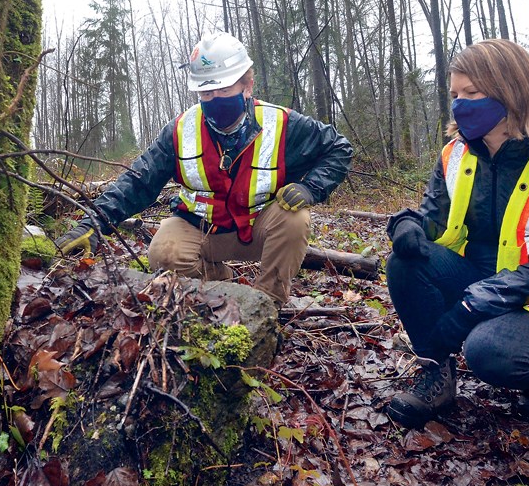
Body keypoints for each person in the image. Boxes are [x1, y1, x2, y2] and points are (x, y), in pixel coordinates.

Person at [385, 38, 529, 427]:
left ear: (510, 89)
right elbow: (435, 219)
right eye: (455, 94)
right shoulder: (456, 153)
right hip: (478, 277)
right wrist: (407, 224)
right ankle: (436, 375)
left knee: (489, 354)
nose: (460, 104)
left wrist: (472, 306)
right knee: (404, 262)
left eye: (471, 93)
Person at [55, 31, 353, 306]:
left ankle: (267, 303)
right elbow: (138, 181)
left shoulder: (283, 124)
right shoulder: (181, 130)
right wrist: (93, 222)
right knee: (163, 253)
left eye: (223, 89)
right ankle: (225, 288)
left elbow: (338, 148)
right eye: (206, 93)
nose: (214, 100)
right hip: (201, 228)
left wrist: (310, 187)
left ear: (246, 86)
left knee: (295, 218)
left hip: (261, 228)